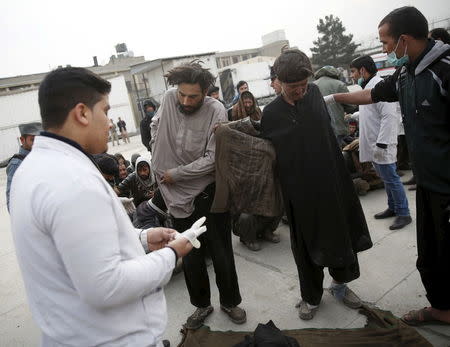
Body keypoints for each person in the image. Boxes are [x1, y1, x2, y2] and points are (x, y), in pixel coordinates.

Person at [9, 67, 194, 346]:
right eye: (105, 111)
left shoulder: (35, 167)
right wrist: (171, 254)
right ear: (82, 113)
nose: (110, 123)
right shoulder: (71, 181)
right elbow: (106, 286)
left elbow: (77, 245)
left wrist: (142, 238)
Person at [325, 6, 450, 326]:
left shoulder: (444, 71)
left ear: (404, 40)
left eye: (385, 42)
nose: (383, 49)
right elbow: (374, 95)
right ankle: (441, 308)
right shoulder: (407, 72)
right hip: (428, 182)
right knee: (431, 256)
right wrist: (333, 99)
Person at [261, 49, 372, 320]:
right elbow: (269, 156)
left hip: (331, 183)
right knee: (306, 246)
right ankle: (311, 296)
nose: (299, 91)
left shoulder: (314, 96)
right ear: (279, 82)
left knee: (340, 235)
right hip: (299, 193)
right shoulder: (272, 113)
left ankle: (340, 286)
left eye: (302, 85)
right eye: (292, 87)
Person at [150, 61, 246, 329]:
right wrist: (157, 148)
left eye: (193, 96)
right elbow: (156, 125)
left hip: (208, 192)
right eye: (182, 94)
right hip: (175, 196)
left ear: (205, 91)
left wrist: (175, 174)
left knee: (221, 252)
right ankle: (202, 306)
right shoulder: (169, 99)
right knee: (189, 254)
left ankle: (230, 302)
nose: (186, 100)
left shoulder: (216, 110)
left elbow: (212, 159)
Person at [349, 55, 412, 230]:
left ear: (362, 70)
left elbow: (389, 116)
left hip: (381, 143)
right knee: (385, 178)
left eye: (353, 71)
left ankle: (403, 213)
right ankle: (393, 208)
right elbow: (371, 113)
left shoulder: (378, 86)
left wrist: (382, 143)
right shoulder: (368, 86)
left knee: (391, 178)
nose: (352, 75)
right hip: (375, 142)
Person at [314, 65, 356, 147]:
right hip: (337, 127)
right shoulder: (339, 84)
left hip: (319, 129)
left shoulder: (312, 85)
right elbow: (351, 105)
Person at [6, 122, 42, 211]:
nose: (37, 143)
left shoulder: (41, 157)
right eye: (32, 140)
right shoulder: (17, 164)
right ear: (22, 140)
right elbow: (11, 199)